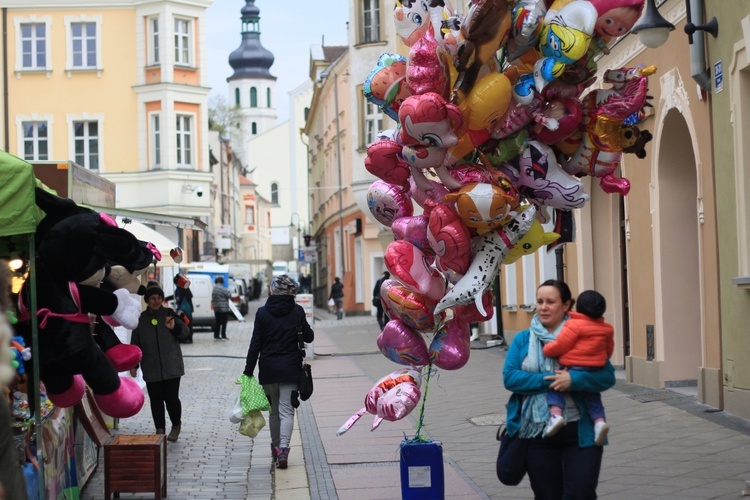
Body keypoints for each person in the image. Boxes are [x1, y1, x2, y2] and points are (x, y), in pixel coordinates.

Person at [502, 279, 615, 498]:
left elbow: (606, 376)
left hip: (580, 433)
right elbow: (510, 378)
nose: (543, 307)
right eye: (539, 301)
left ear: (566, 305)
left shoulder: (584, 333)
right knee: (547, 495)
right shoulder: (523, 339)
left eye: (550, 302)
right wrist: (550, 380)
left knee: (581, 493)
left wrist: (574, 380)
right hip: (538, 434)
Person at [242, 275, 314, 469]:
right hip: (290, 368)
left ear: (272, 291)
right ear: (291, 292)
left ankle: (275, 448)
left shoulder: (262, 313)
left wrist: (248, 371)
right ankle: (284, 449)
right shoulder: (297, 311)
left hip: (268, 369)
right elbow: (309, 336)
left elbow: (255, 344)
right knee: (286, 411)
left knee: (274, 412)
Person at [542, 290, 615, 446]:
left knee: (556, 386)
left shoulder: (574, 324)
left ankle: (555, 415)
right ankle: (599, 421)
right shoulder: (607, 328)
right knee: (592, 396)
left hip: (573, 365)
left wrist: (548, 350)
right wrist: (601, 359)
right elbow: (608, 350)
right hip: (595, 366)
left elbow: (561, 344)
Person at [130, 281, 189, 442]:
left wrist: (173, 328)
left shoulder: (169, 314)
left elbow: (185, 332)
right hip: (151, 366)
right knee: (156, 400)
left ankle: (176, 425)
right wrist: (134, 364)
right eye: (153, 298)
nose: (156, 301)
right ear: (147, 300)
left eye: (159, 298)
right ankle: (160, 429)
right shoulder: (140, 320)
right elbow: (135, 343)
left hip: (171, 366)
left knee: (171, 398)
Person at [171, 274, 194, 344]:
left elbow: (177, 296)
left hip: (184, 309)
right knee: (188, 323)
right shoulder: (184, 288)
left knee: (185, 323)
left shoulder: (181, 288)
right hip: (188, 309)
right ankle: (188, 338)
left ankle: (186, 338)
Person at [211, 276, 232, 340]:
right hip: (223, 308)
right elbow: (229, 295)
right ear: (222, 282)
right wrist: (228, 291)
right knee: (224, 322)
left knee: (217, 322)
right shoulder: (223, 289)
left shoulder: (214, 289)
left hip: (216, 308)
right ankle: (223, 335)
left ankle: (216, 335)